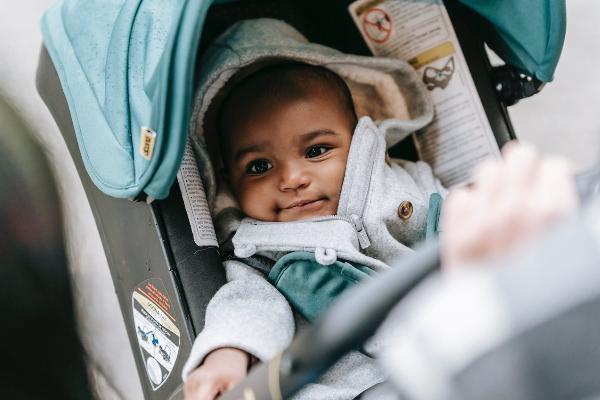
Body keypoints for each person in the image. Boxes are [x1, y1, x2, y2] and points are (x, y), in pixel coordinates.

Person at [183, 18, 445, 400]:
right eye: (259, 166)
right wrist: (228, 352)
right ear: (230, 182)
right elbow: (249, 306)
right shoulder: (259, 248)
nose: (291, 178)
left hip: (456, 340)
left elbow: (463, 227)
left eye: (316, 151)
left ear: (357, 140)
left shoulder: (408, 181)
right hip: (357, 385)